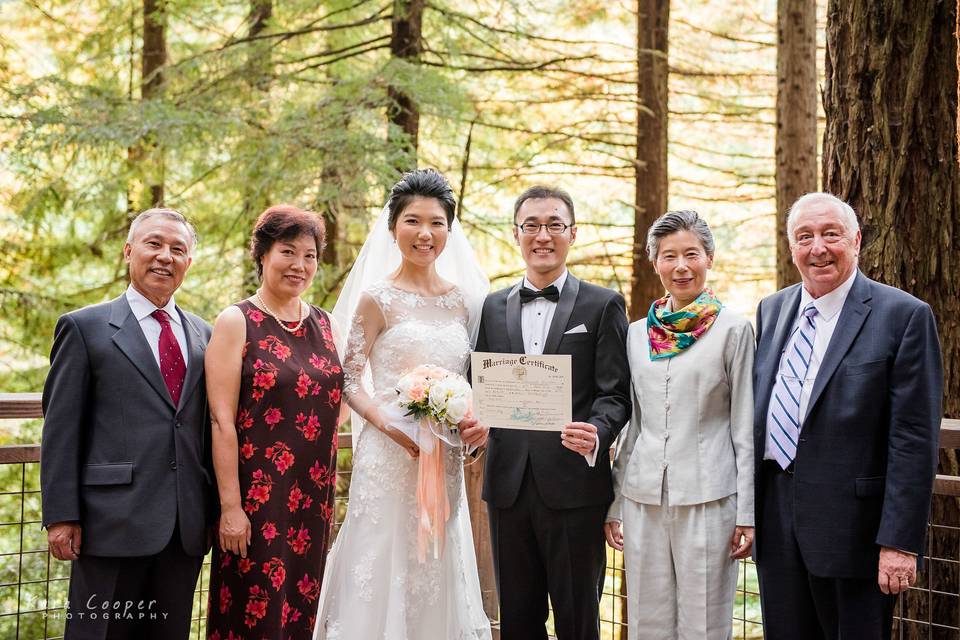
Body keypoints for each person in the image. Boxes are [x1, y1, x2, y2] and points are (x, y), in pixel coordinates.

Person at [753, 192, 943, 639]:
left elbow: (914, 440)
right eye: (805, 237)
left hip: (855, 534)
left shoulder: (904, 316)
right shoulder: (772, 310)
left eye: (830, 234)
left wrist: (898, 542)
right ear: (791, 247)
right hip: (776, 525)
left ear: (856, 241)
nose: (818, 247)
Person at [313, 169, 492, 639]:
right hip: (387, 453)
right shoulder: (377, 299)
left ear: (449, 232)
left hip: (443, 455)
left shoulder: (465, 303)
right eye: (413, 221)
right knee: (382, 549)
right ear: (393, 228)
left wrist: (469, 418)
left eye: (436, 223)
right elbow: (349, 379)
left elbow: (480, 380)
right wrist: (385, 422)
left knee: (437, 554)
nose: (424, 233)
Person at [40, 208, 212, 639]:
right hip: (109, 523)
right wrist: (61, 516)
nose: (165, 257)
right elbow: (61, 428)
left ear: (188, 263)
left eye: (178, 249)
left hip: (184, 528)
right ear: (128, 250)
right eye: (154, 244)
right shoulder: (84, 328)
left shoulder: (204, 335)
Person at [476, 185, 632, 640]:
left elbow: (616, 393)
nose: (542, 235)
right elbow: (480, 385)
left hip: (574, 486)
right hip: (506, 486)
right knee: (518, 622)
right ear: (516, 233)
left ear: (573, 233)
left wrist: (598, 431)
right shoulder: (491, 306)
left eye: (554, 225)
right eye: (532, 226)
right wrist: (472, 418)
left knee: (577, 618)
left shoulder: (602, 305)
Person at [604, 210, 754, 639]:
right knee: (647, 618)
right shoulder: (635, 334)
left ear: (709, 258)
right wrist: (615, 501)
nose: (681, 266)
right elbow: (633, 423)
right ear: (656, 263)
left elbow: (744, 426)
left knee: (703, 620)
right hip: (643, 495)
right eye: (669, 256)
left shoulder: (734, 330)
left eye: (692, 254)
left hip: (709, 496)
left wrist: (748, 513)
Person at [204, 205, 342, 638]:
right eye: (288, 251)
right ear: (263, 254)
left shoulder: (326, 323)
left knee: (304, 612)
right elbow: (220, 420)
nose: (299, 265)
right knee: (255, 612)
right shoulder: (236, 321)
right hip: (257, 500)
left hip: (314, 499)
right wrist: (230, 508)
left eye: (310, 255)